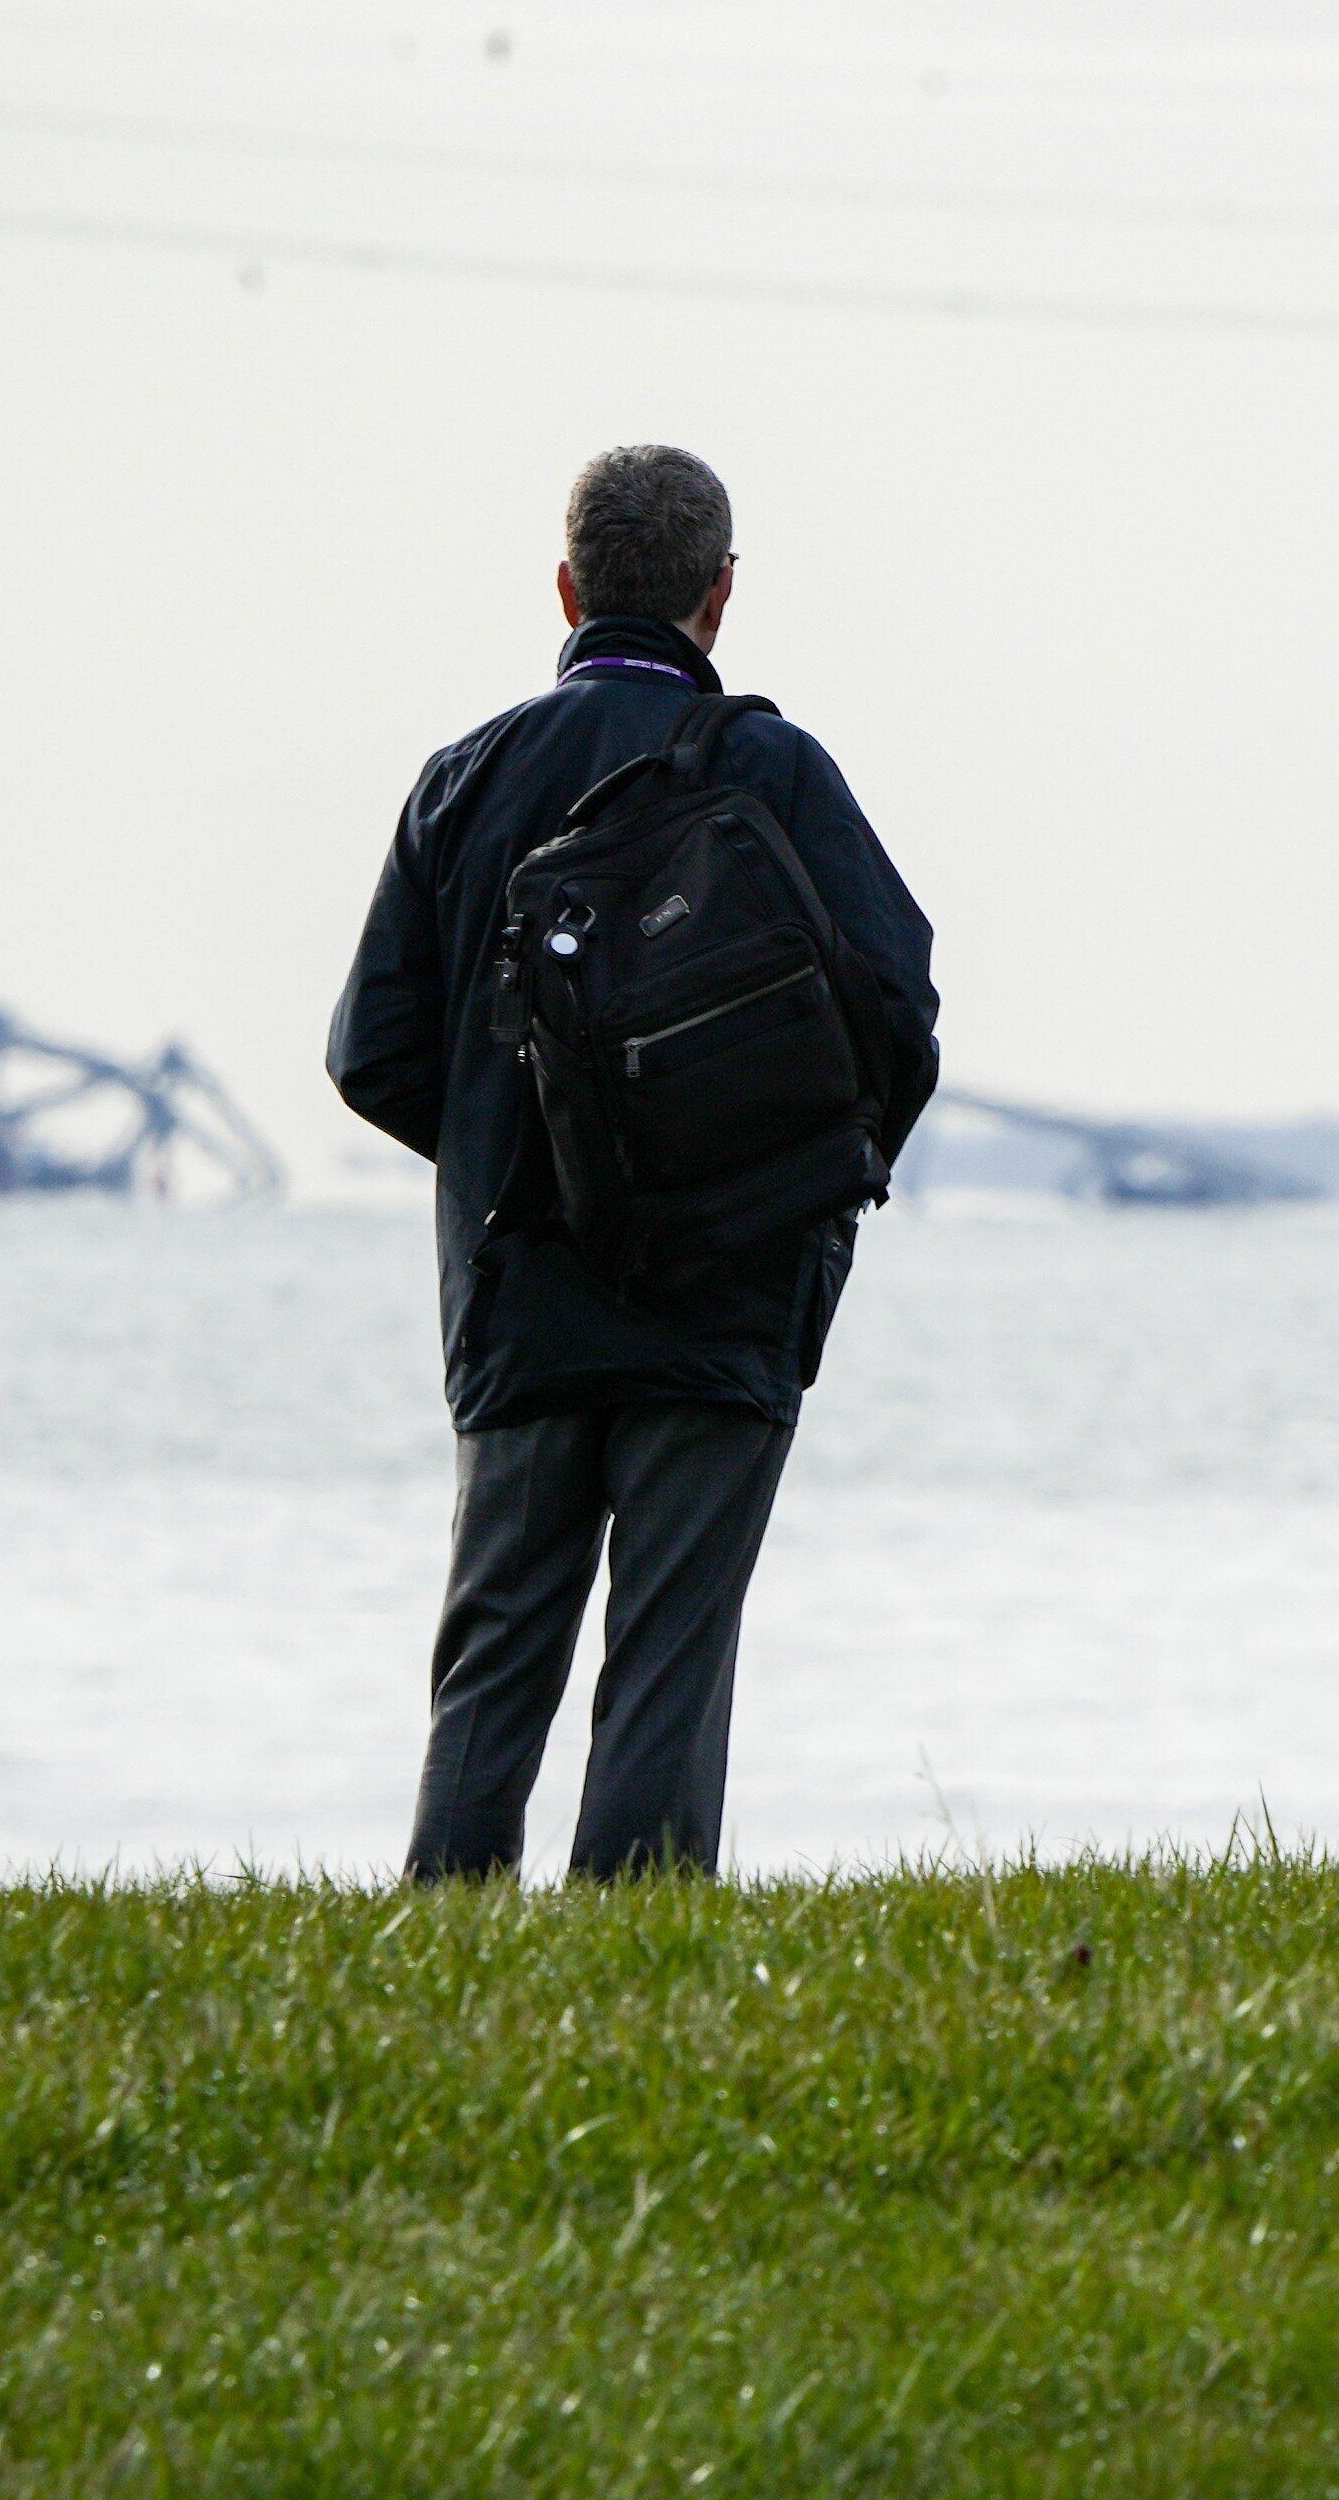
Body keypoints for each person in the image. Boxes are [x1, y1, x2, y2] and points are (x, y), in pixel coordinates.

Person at [327, 444, 939, 1881]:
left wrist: (527, 1149)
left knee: (494, 1658)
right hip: (727, 1290)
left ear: (566, 586)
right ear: (720, 597)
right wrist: (786, 1177)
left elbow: (372, 1051)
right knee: (672, 1655)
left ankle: (446, 1952)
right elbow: (897, 1011)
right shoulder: (777, 771)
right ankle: (636, 1957)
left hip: (520, 1288)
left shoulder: (463, 780)